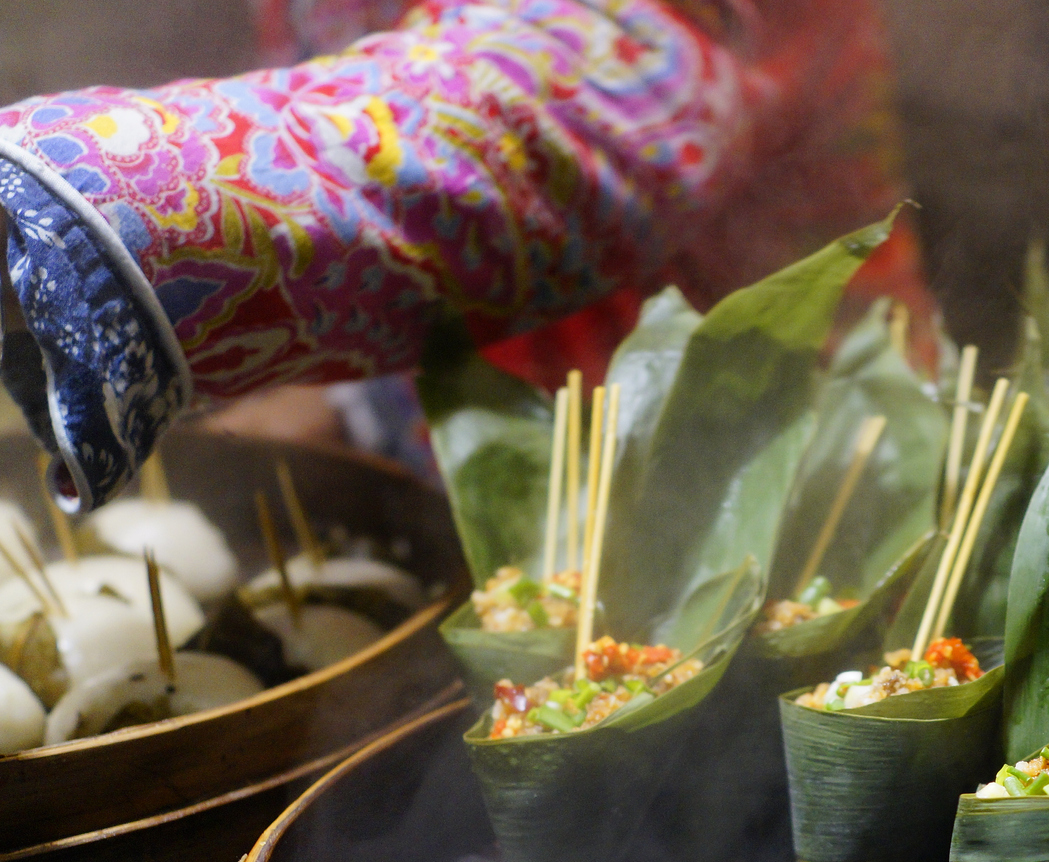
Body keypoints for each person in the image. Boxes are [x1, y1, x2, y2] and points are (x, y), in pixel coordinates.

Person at [0, 0, 924, 511]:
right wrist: (354, 408)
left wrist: (57, 213)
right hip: (491, 500)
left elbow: (571, 111)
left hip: (773, 515)